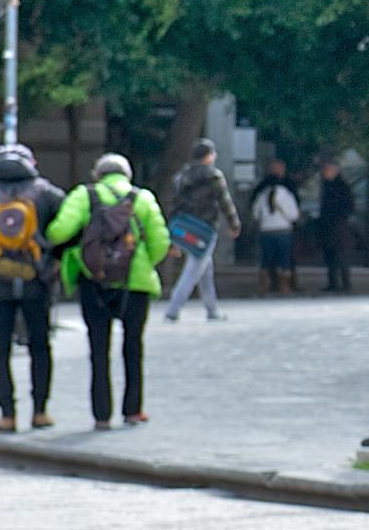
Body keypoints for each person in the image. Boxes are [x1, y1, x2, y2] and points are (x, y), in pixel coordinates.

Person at [46, 152, 169, 431]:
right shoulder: (143, 198)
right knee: (133, 346)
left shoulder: (83, 195)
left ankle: (101, 414)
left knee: (98, 349)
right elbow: (161, 242)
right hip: (135, 283)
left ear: (97, 175)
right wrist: (143, 261)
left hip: (94, 279)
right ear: (128, 175)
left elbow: (58, 233)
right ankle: (133, 410)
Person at [0, 142, 65, 433]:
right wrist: (54, 262)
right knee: (40, 346)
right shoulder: (49, 195)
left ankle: (7, 414)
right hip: (37, 284)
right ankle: (40, 411)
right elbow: (68, 231)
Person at [163, 141, 235, 322]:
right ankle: (173, 309)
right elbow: (224, 202)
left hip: (184, 227)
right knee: (194, 269)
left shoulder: (182, 176)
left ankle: (212, 310)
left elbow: (174, 204)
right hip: (205, 229)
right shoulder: (214, 176)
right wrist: (234, 223)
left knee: (205, 270)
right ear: (208, 156)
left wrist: (171, 233)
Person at [248, 158, 300, 296]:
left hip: (266, 231)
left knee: (265, 260)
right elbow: (294, 215)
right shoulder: (287, 194)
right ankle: (284, 287)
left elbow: (255, 213)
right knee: (284, 260)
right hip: (283, 231)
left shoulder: (261, 194)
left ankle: (263, 286)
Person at [315, 159, 356, 294]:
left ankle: (345, 283)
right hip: (328, 227)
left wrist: (340, 219)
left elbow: (348, 206)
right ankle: (333, 283)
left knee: (341, 256)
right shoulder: (327, 186)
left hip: (339, 227)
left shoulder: (341, 187)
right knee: (330, 256)